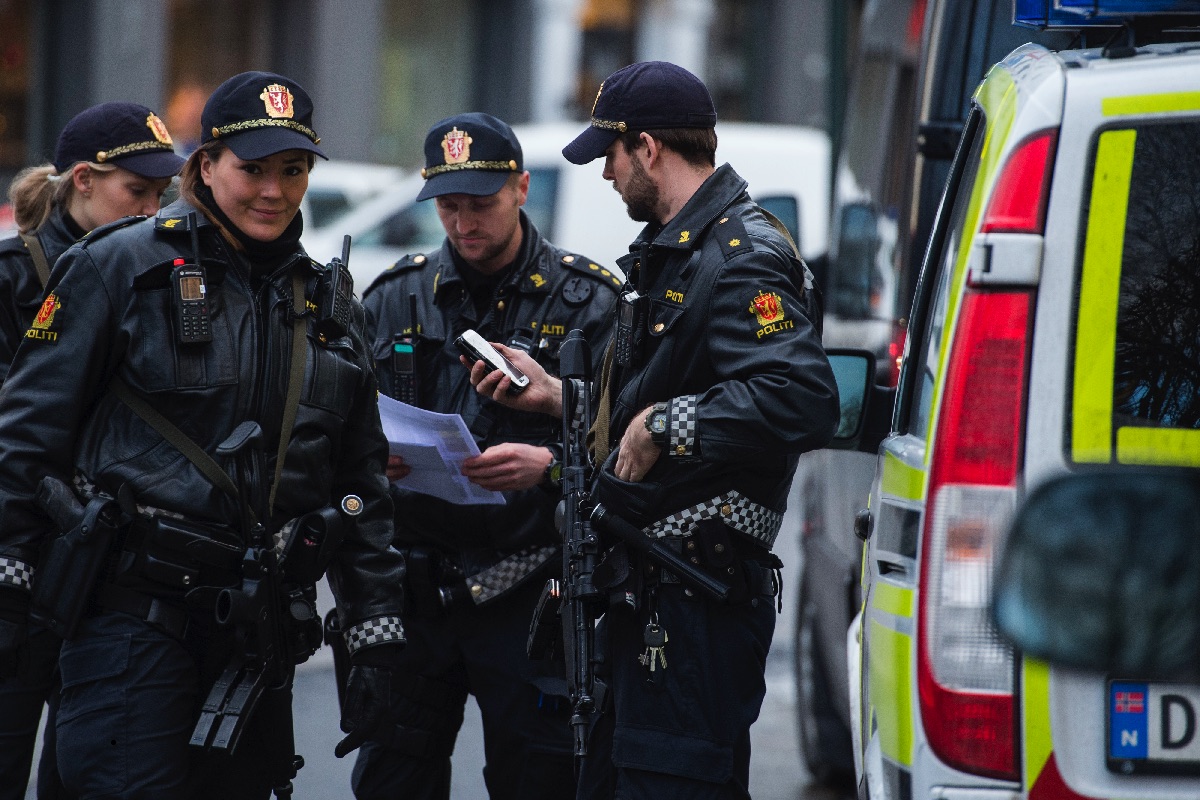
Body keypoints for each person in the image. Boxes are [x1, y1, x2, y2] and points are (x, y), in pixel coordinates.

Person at [0, 71, 406, 799]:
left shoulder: (333, 308)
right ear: (206, 166)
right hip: (128, 621)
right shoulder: (115, 266)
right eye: (252, 169)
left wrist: (374, 632)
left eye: (293, 170)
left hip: (258, 637)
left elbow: (362, 486)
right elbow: (26, 439)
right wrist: (8, 583)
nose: (273, 191)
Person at [469, 61, 840, 799]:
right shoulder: (682, 251)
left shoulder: (740, 258)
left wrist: (668, 426)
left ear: (647, 148)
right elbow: (659, 395)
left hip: (694, 608)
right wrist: (559, 399)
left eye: (608, 155)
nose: (604, 174)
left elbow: (803, 396)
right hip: (651, 602)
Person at [352, 112, 619, 800]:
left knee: (541, 781)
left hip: (535, 594)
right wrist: (368, 457)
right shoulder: (393, 298)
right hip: (417, 591)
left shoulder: (590, 302)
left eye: (481, 204)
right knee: (392, 780)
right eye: (449, 206)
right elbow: (345, 423)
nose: (464, 223)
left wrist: (549, 469)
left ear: (522, 188)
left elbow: (627, 450)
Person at [0, 100, 185, 800]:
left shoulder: (154, 278)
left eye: (159, 195)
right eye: (135, 192)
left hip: (106, 574)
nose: (150, 209)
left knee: (84, 773)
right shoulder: (12, 277)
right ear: (83, 179)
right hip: (19, 557)